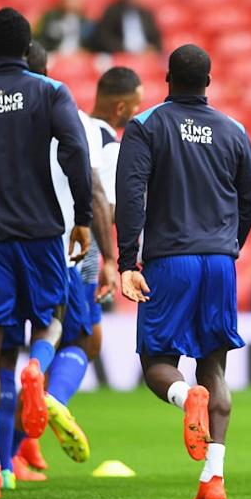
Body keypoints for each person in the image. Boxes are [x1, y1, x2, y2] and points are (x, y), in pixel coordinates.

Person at [116, 44, 251, 499]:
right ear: (209, 81)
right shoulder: (234, 130)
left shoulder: (146, 126)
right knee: (214, 365)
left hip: (169, 261)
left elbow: (131, 195)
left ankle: (183, 398)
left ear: (167, 78)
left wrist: (126, 261)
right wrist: (228, 245)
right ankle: (213, 479)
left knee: (157, 363)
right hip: (219, 261)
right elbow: (249, 201)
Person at [0, 45, 125, 490]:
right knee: (82, 336)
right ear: (46, 72)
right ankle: (48, 396)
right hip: (65, 244)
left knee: (0, 354)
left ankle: (4, 465)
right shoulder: (72, 115)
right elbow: (98, 193)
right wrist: (109, 258)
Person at [0, 8, 92, 498]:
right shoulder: (49, 91)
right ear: (28, 49)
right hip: (42, 234)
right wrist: (84, 217)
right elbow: (75, 151)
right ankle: (39, 366)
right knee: (53, 318)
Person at [83, 66, 144, 360]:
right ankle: (45, 397)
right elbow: (103, 208)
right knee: (87, 342)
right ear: (121, 108)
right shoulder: (110, 148)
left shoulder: (74, 129)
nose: (137, 112)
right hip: (85, 252)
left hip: (43, 239)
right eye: (136, 106)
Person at [91, 0, 162, 54]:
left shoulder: (146, 14)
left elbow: (156, 39)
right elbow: (105, 39)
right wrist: (127, 50)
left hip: (145, 54)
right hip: (121, 53)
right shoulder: (112, 12)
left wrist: (152, 49)